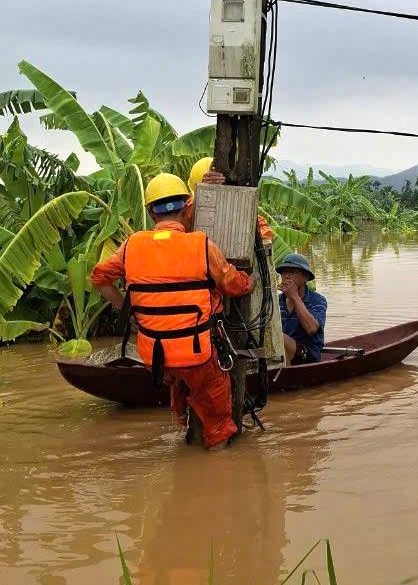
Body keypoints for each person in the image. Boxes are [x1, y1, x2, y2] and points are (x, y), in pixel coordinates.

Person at [90, 172, 255, 450]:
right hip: (197, 354)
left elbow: (100, 279)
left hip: (154, 356)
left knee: (179, 381)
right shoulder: (200, 244)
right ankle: (219, 472)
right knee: (219, 423)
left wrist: (129, 313)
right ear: (188, 207)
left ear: (150, 212)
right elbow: (233, 285)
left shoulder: (132, 245)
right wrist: (250, 282)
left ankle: (183, 421)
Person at [276, 253, 327, 365]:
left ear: (306, 277)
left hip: (307, 353)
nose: (287, 276)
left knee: (280, 338)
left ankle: (285, 378)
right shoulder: (276, 302)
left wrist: (294, 296)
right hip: (281, 351)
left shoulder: (317, 300)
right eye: (284, 272)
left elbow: (312, 329)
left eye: (293, 272)